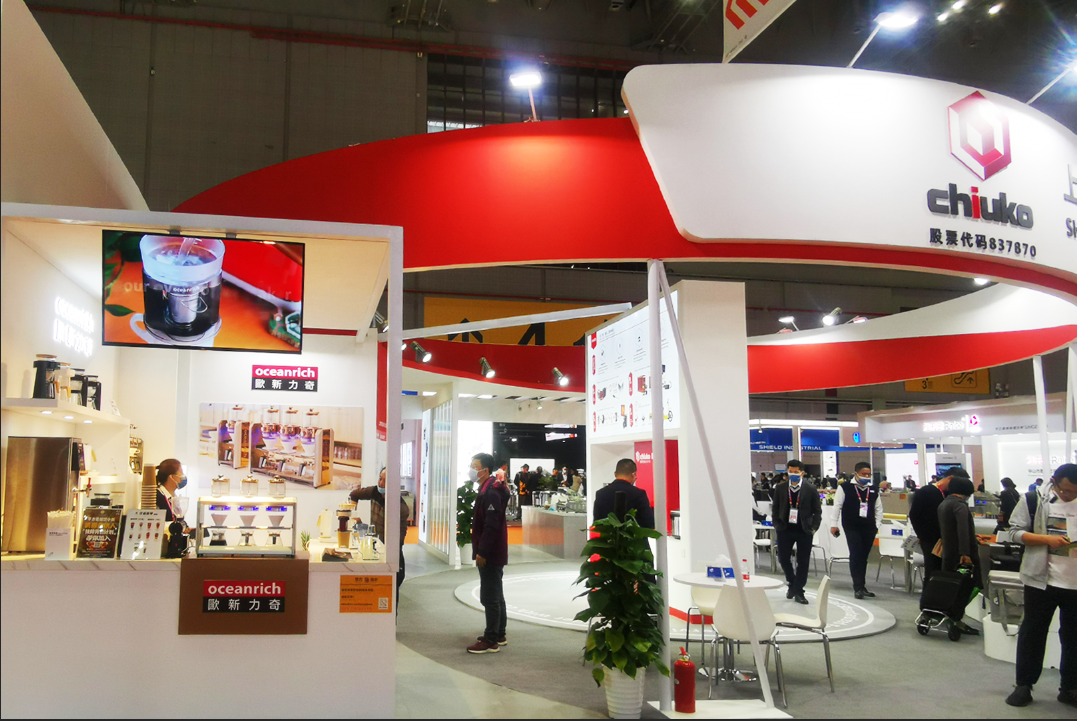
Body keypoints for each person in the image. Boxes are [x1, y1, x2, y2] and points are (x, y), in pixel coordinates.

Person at [1004, 463, 1077, 708]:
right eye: (1066, 491)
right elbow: (1014, 532)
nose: (1070, 496)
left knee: (1074, 637)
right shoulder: (1033, 500)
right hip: (1041, 580)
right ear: (1054, 482)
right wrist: (1047, 539)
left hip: (1075, 584)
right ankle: (1024, 686)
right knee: (1033, 633)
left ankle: (1070, 688)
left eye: (1075, 492)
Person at [467, 453, 510, 654]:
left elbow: (491, 526)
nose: (471, 469)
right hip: (493, 550)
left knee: (490, 596)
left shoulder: (491, 492)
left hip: (491, 552)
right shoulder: (489, 488)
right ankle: (499, 633)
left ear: (484, 470)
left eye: (474, 466)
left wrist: (482, 552)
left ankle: (491, 639)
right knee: (496, 593)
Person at [350, 467, 410, 594]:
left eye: (385, 480)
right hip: (374, 548)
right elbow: (354, 494)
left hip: (391, 553)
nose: (380, 483)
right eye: (380, 479)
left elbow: (399, 539)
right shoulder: (374, 492)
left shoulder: (401, 507)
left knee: (392, 588)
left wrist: (385, 550)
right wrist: (354, 514)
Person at [772, 460, 822, 605]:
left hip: (804, 530)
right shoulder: (780, 488)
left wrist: (813, 528)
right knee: (783, 558)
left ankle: (799, 591)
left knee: (803, 561)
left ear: (802, 473)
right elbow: (775, 508)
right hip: (785, 529)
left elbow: (817, 511)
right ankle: (792, 582)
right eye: (790, 471)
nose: (792, 474)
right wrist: (777, 524)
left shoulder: (810, 489)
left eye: (796, 472)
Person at [830, 461, 883, 599]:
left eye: (868, 474)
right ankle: (857, 587)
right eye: (864, 474)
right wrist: (833, 524)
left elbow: (878, 508)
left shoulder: (873, 489)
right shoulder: (845, 487)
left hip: (869, 527)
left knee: (864, 557)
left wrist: (877, 525)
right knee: (856, 555)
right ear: (856, 474)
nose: (866, 476)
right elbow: (837, 506)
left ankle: (862, 585)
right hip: (851, 526)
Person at [937, 475, 982, 635]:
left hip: (948, 552)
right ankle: (955, 617)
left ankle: (950, 615)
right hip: (962, 554)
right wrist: (965, 553)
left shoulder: (944, 503)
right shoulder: (960, 506)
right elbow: (962, 530)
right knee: (970, 586)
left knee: (950, 586)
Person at [909, 468, 968, 582]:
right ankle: (929, 592)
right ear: (950, 478)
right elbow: (914, 515)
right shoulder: (926, 492)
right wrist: (922, 536)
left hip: (946, 540)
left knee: (945, 571)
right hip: (930, 540)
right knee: (932, 570)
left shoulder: (949, 494)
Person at [592, 458, 655, 529]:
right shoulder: (639, 494)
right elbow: (648, 523)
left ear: (615, 474)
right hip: (634, 536)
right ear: (633, 474)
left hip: (607, 536)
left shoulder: (601, 494)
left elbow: (597, 523)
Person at [155, 458, 188, 523]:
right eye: (181, 472)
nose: (183, 476)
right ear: (172, 477)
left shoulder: (173, 497)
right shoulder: (156, 497)